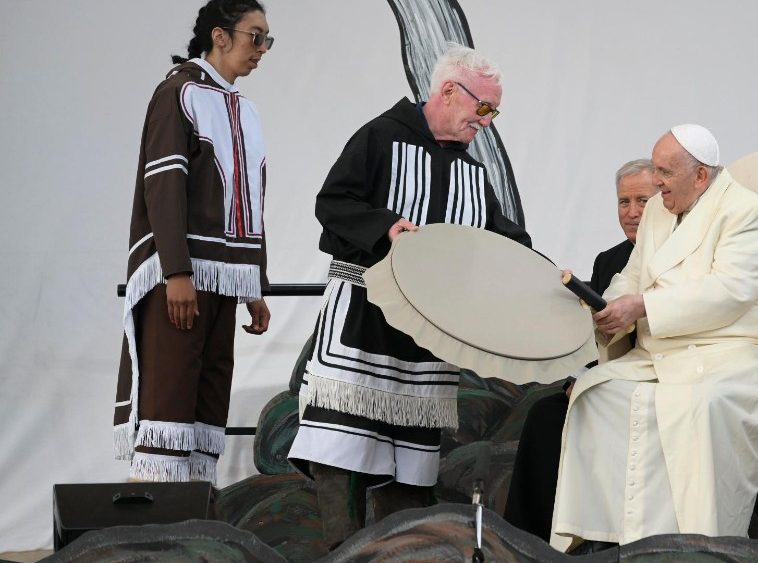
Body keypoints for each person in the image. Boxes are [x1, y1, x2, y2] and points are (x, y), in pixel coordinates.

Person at [286, 45, 531, 548]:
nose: (488, 122)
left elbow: (503, 239)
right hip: (364, 320)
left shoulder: (474, 174)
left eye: (494, 111)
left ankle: (400, 554)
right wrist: (385, 228)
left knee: (410, 470)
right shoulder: (379, 137)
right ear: (448, 91)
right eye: (484, 108)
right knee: (342, 451)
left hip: (425, 341)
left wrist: (543, 274)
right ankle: (343, 553)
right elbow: (332, 203)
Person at [550, 125, 758, 552]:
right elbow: (632, 277)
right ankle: (607, 538)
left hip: (726, 352)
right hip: (660, 352)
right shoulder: (660, 209)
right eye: (655, 169)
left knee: (701, 404)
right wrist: (608, 308)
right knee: (593, 394)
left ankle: (699, 545)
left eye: (664, 172)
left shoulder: (748, 212)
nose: (654, 182)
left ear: (700, 176)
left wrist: (641, 308)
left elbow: (726, 293)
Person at [114, 0, 273, 483]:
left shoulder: (243, 108)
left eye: (267, 39)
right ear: (219, 36)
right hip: (180, 277)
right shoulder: (178, 92)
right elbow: (163, 186)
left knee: (206, 401)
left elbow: (250, 200)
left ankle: (194, 524)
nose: (263, 49)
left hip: (223, 279)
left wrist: (254, 285)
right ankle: (148, 536)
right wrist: (176, 272)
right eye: (255, 36)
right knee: (169, 401)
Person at [504, 159, 658, 540]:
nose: (632, 212)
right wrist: (583, 377)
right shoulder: (609, 261)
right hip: (609, 378)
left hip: (658, 382)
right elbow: (595, 340)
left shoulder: (679, 253)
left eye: (643, 200)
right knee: (545, 414)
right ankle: (525, 540)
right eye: (624, 202)